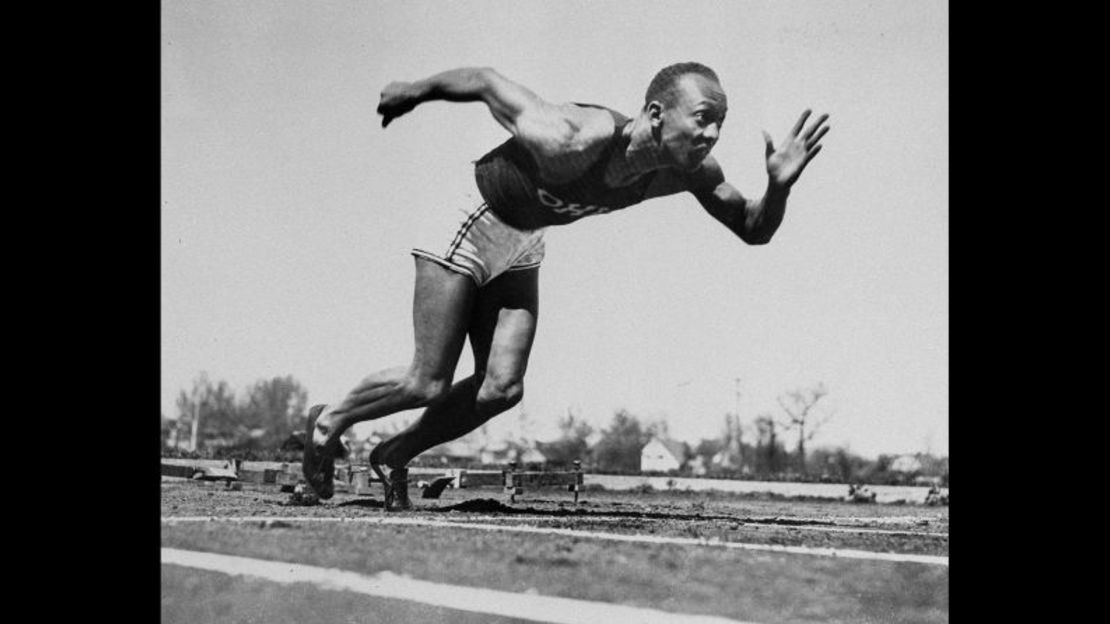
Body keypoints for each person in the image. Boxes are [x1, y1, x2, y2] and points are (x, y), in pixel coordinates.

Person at [303, 63, 830, 509]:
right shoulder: (575, 136)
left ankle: (394, 454)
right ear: (655, 115)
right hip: (472, 215)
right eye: (702, 120)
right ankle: (329, 422)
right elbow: (487, 82)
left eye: (721, 124)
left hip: (525, 239)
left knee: (502, 389)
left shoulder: (689, 172)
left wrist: (778, 187)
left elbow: (753, 229)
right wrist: (414, 91)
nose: (712, 135)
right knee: (427, 381)